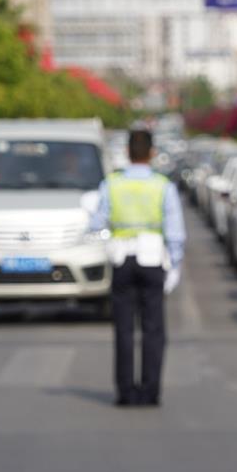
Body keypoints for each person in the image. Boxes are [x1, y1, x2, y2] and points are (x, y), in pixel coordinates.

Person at [91, 130, 185, 407]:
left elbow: (97, 223)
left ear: (127, 152)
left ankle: (125, 392)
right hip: (152, 258)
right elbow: (175, 232)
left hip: (122, 259)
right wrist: (175, 264)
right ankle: (150, 390)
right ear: (152, 153)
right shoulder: (162, 185)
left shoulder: (112, 184)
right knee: (153, 329)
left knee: (123, 329)